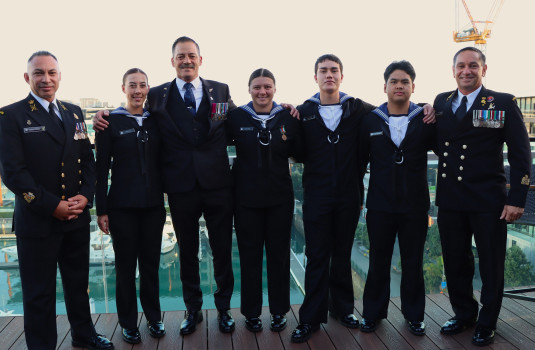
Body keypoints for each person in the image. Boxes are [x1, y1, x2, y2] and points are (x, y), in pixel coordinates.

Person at [94, 36, 236, 335]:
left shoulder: (220, 90)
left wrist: (282, 107)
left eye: (191, 55)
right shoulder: (157, 95)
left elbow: (233, 122)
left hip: (217, 183)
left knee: (222, 248)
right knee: (187, 251)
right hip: (180, 185)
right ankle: (192, 309)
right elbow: (131, 114)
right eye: (180, 56)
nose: (186, 60)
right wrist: (101, 114)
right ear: (172, 61)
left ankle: (224, 309)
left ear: (200, 59)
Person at [0, 51, 113, 350]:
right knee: (39, 292)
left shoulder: (73, 113)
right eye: (38, 73)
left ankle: (83, 335)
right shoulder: (11, 116)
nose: (46, 79)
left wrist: (85, 196)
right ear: (27, 78)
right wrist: (53, 206)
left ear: (59, 76)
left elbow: (88, 160)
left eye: (51, 73)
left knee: (78, 286)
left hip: (75, 218)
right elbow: (13, 173)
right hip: (38, 221)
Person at [434, 47, 531, 346]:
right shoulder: (441, 102)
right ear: (453, 71)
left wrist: (516, 198)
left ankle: (487, 322)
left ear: (483, 70)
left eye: (473, 65)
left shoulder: (501, 102)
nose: (466, 71)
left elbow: (520, 154)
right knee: (455, 261)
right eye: (461, 66)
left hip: (488, 199)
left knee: (491, 264)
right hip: (450, 198)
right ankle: (464, 314)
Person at [290, 54, 375, 343]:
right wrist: (285, 108)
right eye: (323, 71)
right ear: (315, 77)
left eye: (334, 70)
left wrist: (424, 106)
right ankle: (310, 318)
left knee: (342, 254)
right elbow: (293, 143)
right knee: (316, 256)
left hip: (349, 195)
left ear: (342, 76)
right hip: (316, 195)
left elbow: (392, 109)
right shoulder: (304, 111)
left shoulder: (359, 108)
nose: (329, 75)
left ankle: (343, 310)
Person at [359, 60, 435, 335]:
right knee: (378, 260)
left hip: (414, 205)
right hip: (379, 204)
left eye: (405, 81)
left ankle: (414, 315)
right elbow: (357, 162)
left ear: (413, 87)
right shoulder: (370, 120)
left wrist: (431, 107)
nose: (399, 86)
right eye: (394, 81)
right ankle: (372, 313)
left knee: (413, 262)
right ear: (385, 87)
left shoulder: (426, 120)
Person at [226, 69, 302, 332]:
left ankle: (279, 311)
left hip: (280, 199)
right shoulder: (235, 117)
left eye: (267, 87)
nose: (262, 92)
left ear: (275, 89)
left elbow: (303, 150)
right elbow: (209, 136)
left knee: (279, 258)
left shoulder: (288, 118)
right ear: (249, 90)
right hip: (246, 199)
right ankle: (251, 313)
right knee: (249, 258)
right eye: (257, 87)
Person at [95, 68, 166, 344]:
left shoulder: (157, 121)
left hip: (152, 206)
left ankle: (154, 318)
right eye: (132, 85)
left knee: (150, 265)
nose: (138, 90)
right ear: (123, 88)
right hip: (121, 206)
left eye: (143, 85)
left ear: (148, 89)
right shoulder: (109, 122)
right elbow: (101, 170)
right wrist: (102, 210)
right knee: (125, 267)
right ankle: (128, 323)